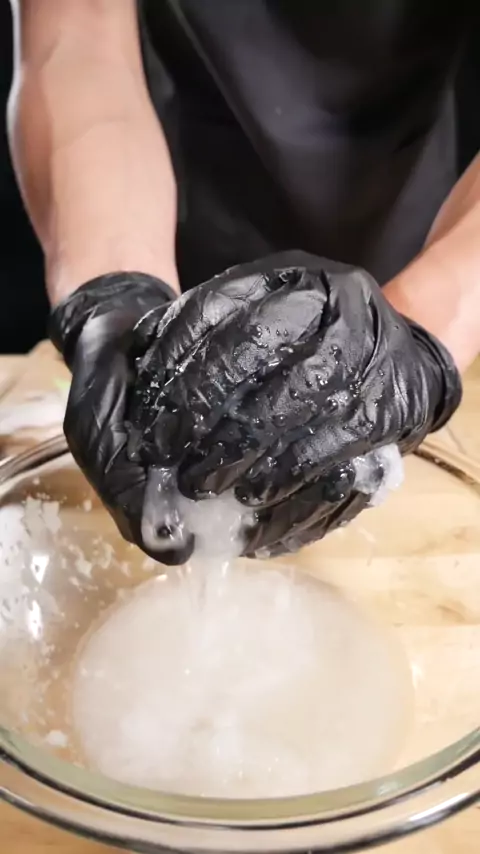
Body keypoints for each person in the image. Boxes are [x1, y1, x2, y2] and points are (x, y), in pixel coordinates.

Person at [7, 1, 476, 562]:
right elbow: (79, 36)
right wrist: (115, 285)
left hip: (426, 219)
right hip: (158, 181)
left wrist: (427, 330)